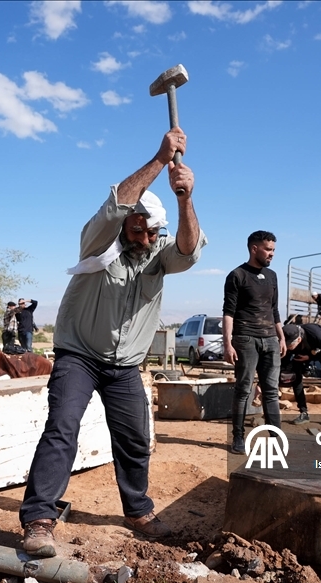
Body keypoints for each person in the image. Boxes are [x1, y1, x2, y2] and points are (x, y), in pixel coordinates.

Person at [19, 128, 204, 557]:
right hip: (79, 355)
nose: (147, 240)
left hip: (125, 366)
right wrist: (160, 159)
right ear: (127, 224)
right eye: (139, 230)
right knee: (62, 428)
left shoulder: (159, 253)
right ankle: (39, 519)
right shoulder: (99, 241)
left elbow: (190, 248)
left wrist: (183, 198)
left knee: (135, 437)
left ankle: (137, 510)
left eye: (153, 232)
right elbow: (118, 200)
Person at [223, 231, 287, 454]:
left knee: (270, 390)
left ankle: (276, 438)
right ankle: (238, 438)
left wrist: (281, 336)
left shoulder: (272, 276)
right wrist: (228, 343)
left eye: (273, 250)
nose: (271, 254)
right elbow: (228, 312)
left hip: (270, 339)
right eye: (268, 249)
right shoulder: (237, 275)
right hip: (246, 339)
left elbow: (274, 309)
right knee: (243, 389)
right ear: (254, 249)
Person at [282, 323, 321, 427]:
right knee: (296, 378)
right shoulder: (288, 338)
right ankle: (303, 413)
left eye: (289, 345)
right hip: (305, 350)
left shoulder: (316, 334)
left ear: (298, 340)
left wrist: (310, 357)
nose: (288, 348)